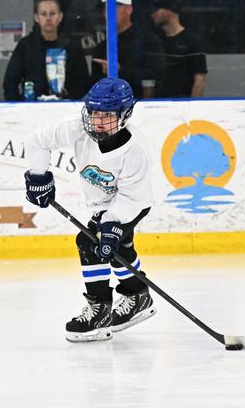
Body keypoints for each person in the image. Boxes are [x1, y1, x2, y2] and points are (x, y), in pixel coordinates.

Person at [24, 77, 156, 342]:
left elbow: (132, 198)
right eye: (94, 113)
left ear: (125, 115)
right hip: (103, 205)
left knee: (90, 242)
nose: (98, 121)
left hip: (131, 204)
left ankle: (100, 311)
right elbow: (37, 141)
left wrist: (112, 225)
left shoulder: (135, 150)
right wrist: (38, 177)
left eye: (107, 115)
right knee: (118, 249)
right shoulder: (77, 128)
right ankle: (138, 296)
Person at [3, 0, 90, 101]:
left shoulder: (72, 46)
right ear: (36, 17)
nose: (48, 18)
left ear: (60, 17)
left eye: (52, 13)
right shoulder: (25, 46)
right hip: (32, 107)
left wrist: (69, 101)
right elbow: (10, 82)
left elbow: (83, 81)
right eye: (43, 14)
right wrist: (17, 106)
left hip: (65, 107)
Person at [91, 0, 166, 99]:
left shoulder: (148, 41)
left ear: (129, 9)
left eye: (114, 7)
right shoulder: (101, 47)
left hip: (142, 105)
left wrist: (120, 71)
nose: (108, 12)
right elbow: (94, 85)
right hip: (110, 107)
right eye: (105, 8)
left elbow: (156, 76)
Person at [151, 0, 208, 98]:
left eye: (156, 10)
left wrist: (192, 105)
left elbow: (200, 79)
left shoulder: (192, 41)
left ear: (168, 12)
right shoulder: (157, 41)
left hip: (183, 103)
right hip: (159, 103)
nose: (152, 15)